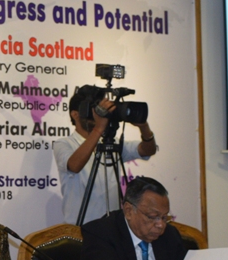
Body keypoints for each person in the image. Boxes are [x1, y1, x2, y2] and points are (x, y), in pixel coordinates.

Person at [79, 177, 212, 260]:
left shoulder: (169, 235)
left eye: (164, 217)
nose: (160, 225)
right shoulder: (100, 232)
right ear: (129, 211)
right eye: (153, 216)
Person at [53, 85, 157, 225]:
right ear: (75, 114)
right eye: (93, 109)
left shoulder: (111, 142)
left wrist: (144, 127)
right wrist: (99, 127)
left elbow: (147, 150)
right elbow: (74, 165)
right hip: (80, 228)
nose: (97, 114)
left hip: (112, 227)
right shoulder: (64, 144)